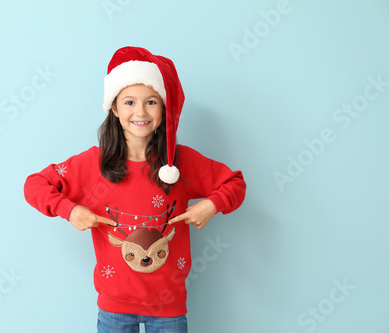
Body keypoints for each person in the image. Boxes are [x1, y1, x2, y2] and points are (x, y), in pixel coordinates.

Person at [24, 46, 246, 333]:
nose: (140, 111)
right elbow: (35, 185)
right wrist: (70, 210)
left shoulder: (181, 163)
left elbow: (235, 183)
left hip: (169, 308)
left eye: (151, 102)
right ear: (114, 108)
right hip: (114, 309)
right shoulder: (94, 164)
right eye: (129, 102)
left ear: (164, 108)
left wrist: (211, 205)